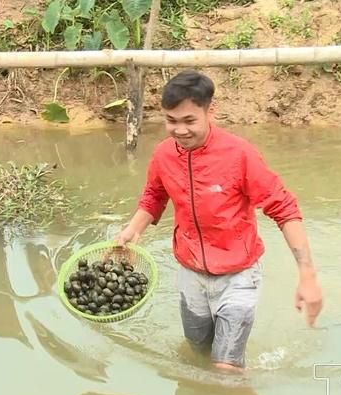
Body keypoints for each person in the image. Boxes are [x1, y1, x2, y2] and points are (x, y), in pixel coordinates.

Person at [114, 70, 323, 373]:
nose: (179, 131)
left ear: (210, 111)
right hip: (191, 275)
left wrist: (307, 274)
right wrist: (133, 229)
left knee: (225, 368)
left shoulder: (240, 155)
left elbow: (285, 209)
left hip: (238, 277)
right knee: (197, 352)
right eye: (171, 121)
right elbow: (154, 196)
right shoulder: (163, 156)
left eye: (189, 121)